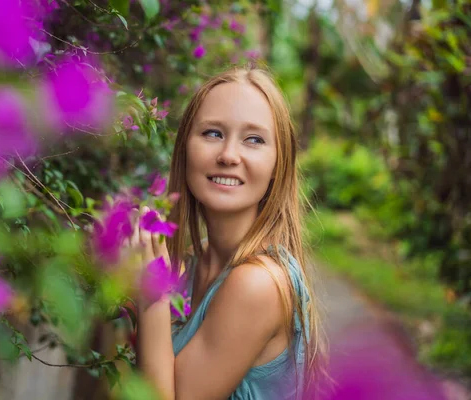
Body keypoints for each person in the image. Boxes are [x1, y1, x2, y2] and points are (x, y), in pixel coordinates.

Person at [129, 65, 325, 400]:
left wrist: (151, 292)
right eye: (213, 133)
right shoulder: (192, 264)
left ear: (279, 164)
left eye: (254, 140)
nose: (228, 155)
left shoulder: (257, 284)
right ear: (184, 149)